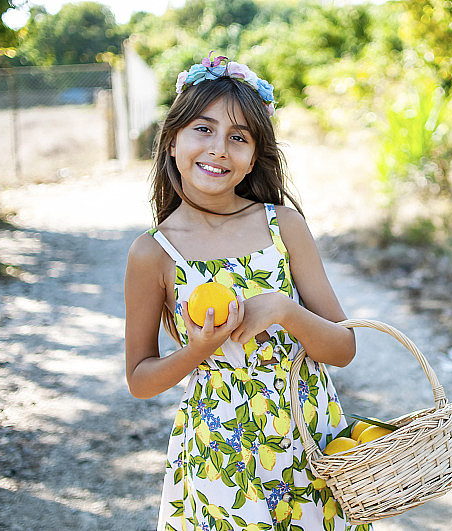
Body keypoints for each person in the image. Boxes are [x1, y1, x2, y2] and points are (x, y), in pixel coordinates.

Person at [124, 52, 370, 531]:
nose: (219, 149)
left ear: (253, 157)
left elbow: (344, 349)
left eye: (238, 137)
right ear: (172, 140)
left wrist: (284, 310)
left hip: (310, 444)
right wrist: (198, 349)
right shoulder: (153, 253)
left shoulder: (284, 227)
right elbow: (139, 379)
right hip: (220, 457)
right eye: (203, 129)